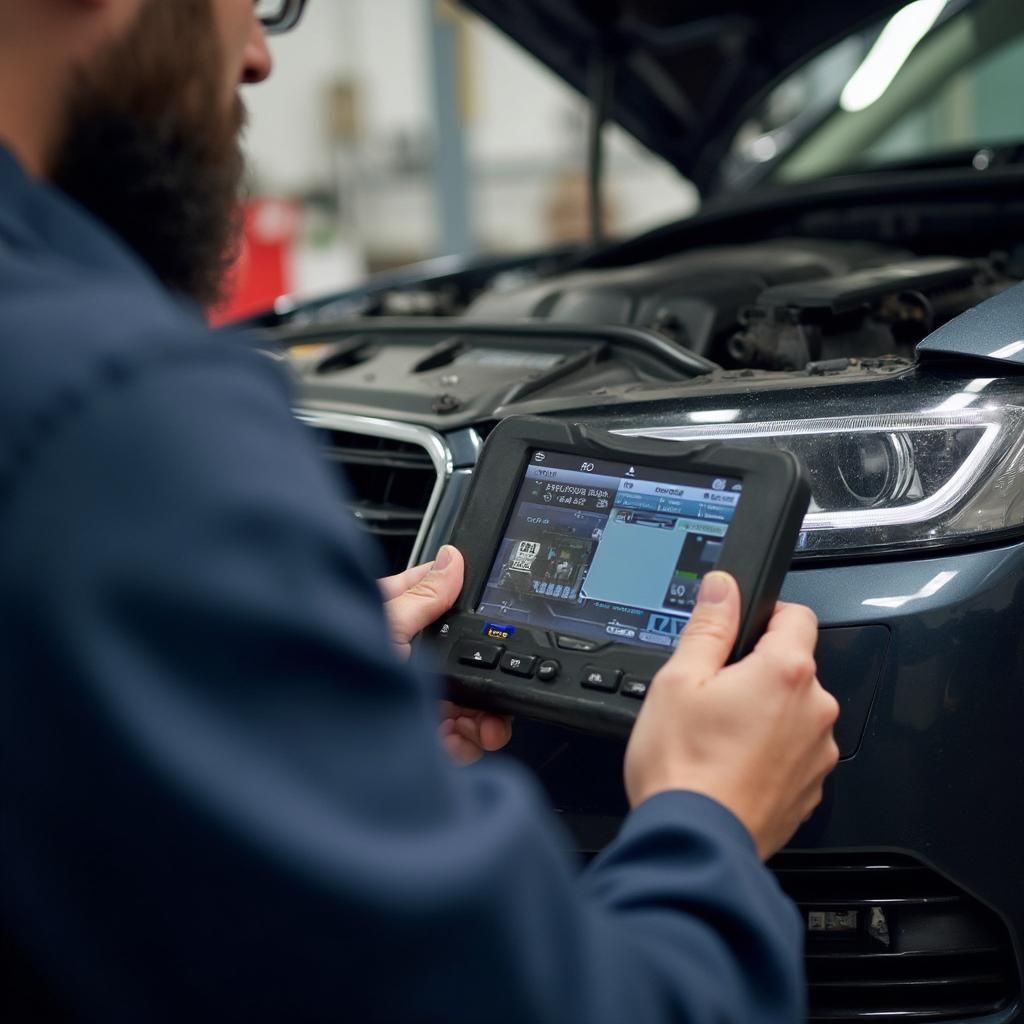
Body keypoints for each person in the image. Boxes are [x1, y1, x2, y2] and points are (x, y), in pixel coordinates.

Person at [0, 1, 840, 1021]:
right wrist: (709, 817)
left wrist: (286, 719)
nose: (261, 55)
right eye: (253, 1)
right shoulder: (119, 414)